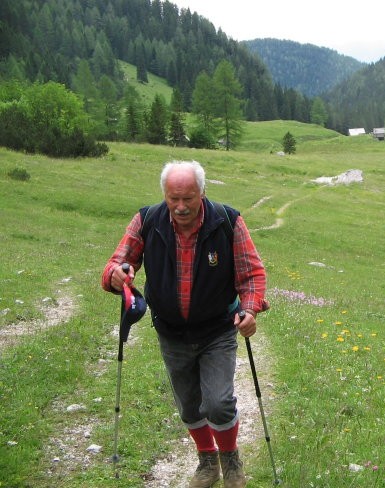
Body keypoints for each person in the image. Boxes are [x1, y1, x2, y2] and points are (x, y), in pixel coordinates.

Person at [101, 160, 269, 488]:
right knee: (189, 406)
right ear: (164, 195)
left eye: (188, 198)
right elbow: (115, 264)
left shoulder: (227, 221)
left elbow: (252, 273)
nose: (180, 207)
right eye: (173, 198)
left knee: (218, 403)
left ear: (202, 193)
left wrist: (249, 310)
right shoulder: (148, 220)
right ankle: (207, 462)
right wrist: (117, 274)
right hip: (171, 331)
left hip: (216, 329)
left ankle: (230, 459)